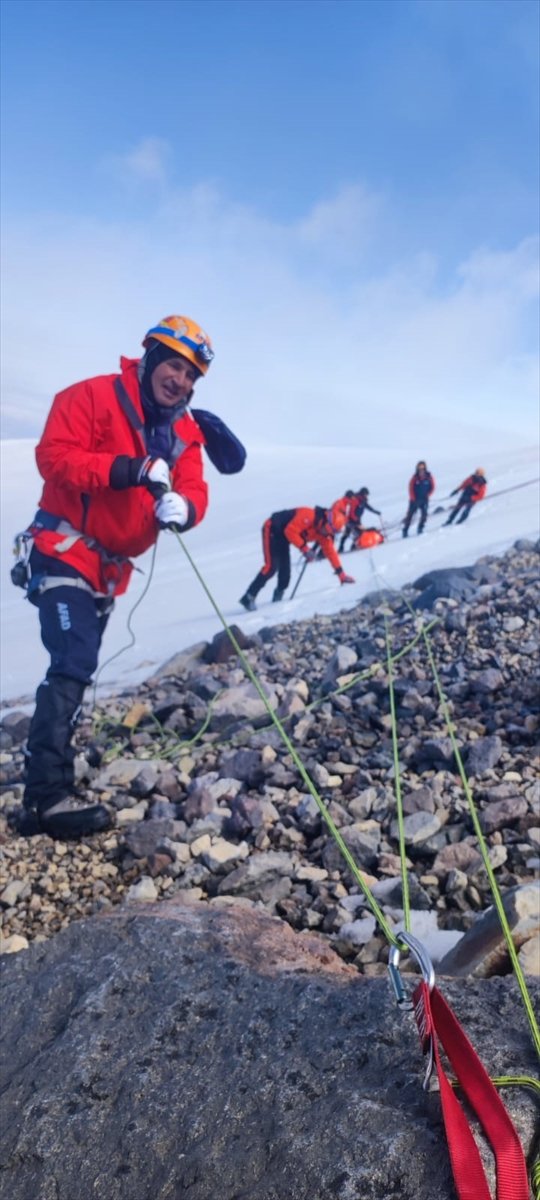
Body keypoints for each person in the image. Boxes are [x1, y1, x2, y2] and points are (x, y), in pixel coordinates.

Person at [14, 315, 217, 839]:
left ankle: (52, 771)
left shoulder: (184, 433)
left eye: (193, 375)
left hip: (108, 571)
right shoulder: (89, 397)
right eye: (175, 365)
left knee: (77, 665)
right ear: (150, 356)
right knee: (73, 658)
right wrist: (129, 469)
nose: (182, 381)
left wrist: (186, 509)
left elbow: (196, 487)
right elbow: (54, 458)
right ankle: (46, 800)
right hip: (62, 549)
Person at [239, 503, 354, 611]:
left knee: (285, 574)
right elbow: (290, 531)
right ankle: (248, 597)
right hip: (272, 529)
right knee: (271, 567)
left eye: (331, 532)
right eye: (328, 530)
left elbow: (331, 553)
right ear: (325, 522)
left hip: (284, 538)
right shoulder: (308, 515)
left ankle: (277, 601)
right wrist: (305, 549)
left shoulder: (324, 534)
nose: (327, 534)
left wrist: (341, 575)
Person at [338, 487, 381, 552]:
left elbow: (368, 507)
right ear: (363, 494)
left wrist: (375, 512)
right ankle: (351, 547)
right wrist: (355, 520)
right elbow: (352, 511)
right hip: (351, 521)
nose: (367, 496)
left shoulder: (362, 500)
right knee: (358, 533)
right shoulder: (356, 500)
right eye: (366, 494)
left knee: (349, 534)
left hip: (354, 520)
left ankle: (344, 547)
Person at [402, 461, 435, 537]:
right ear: (417, 468)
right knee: (410, 516)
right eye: (419, 467)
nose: (421, 469)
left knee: (424, 515)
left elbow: (433, 487)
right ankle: (405, 530)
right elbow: (410, 489)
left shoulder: (429, 477)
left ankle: (420, 528)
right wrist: (413, 499)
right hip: (414, 501)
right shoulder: (414, 478)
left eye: (422, 467)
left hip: (424, 500)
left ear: (425, 467)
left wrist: (428, 495)